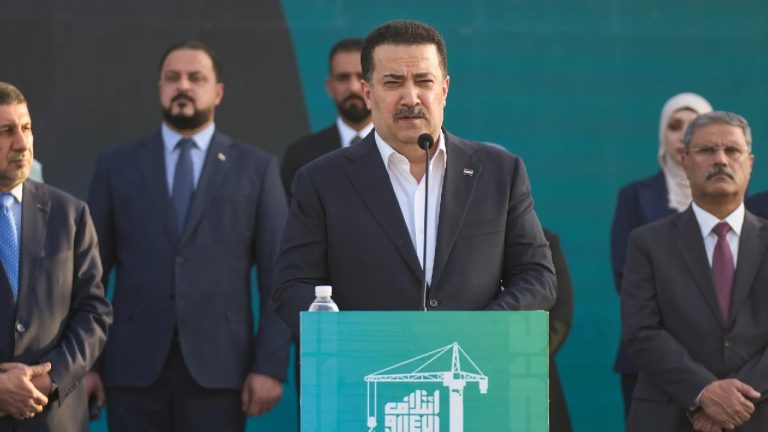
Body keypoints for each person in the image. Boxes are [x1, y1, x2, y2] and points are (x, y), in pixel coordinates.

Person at [273, 20, 555, 336]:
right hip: (368, 361)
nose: (410, 98)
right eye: (393, 83)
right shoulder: (321, 181)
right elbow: (292, 285)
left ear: (444, 90)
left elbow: (537, 276)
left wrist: (482, 330)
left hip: (473, 359)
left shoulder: (500, 172)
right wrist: (350, 337)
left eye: (424, 81)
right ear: (368, 93)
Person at [86, 41, 292, 431]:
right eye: (172, 78)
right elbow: (88, 277)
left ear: (218, 92)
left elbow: (279, 277)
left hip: (221, 373)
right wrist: (88, 365)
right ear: (159, 88)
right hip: (131, 372)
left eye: (196, 78)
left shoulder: (256, 168)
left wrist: (269, 366)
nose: (183, 86)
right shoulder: (117, 166)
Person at [622, 111, 768, 431]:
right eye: (707, 150)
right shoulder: (647, 243)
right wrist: (703, 392)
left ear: (750, 163)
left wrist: (732, 399)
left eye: (732, 150)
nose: (720, 160)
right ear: (685, 161)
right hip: (668, 416)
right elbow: (640, 331)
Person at [0, 82, 112, 431]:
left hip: (53, 418)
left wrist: (50, 379)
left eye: (27, 127)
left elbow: (93, 313)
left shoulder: (71, 215)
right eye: (6, 131)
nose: (22, 143)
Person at [610, 92, 713, 416]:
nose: (683, 136)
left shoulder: (735, 198)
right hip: (647, 357)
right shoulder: (634, 197)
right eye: (674, 126)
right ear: (661, 133)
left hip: (720, 361)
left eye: (693, 127)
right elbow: (626, 275)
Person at [280, 38, 373, 199]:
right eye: (343, 78)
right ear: (330, 87)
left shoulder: (401, 150)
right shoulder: (300, 156)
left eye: (361, 77)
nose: (353, 87)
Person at [545, 230, 574, 432]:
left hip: (530, 376)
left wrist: (525, 358)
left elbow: (560, 315)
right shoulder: (450, 242)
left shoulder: (543, 241)